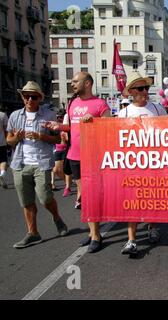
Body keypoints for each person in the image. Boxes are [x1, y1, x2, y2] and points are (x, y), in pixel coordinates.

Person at [44, 72, 111, 253]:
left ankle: (96, 235)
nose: (72, 84)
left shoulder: (100, 104)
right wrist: (60, 127)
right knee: (84, 198)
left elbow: (110, 129)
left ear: (87, 83)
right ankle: (92, 233)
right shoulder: (73, 103)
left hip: (94, 158)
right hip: (74, 156)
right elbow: (73, 127)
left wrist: (95, 122)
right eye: (72, 81)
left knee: (90, 196)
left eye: (76, 81)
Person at [6, 81, 69, 249]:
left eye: (34, 97)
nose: (30, 100)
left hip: (41, 162)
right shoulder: (14, 116)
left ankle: (57, 218)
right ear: (23, 97)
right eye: (26, 96)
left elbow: (57, 139)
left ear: (40, 98)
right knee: (26, 201)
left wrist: (40, 136)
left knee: (45, 197)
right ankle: (33, 233)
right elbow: (9, 140)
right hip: (20, 163)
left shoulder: (48, 115)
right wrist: (17, 138)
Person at [118, 72, 167, 255]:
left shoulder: (157, 108)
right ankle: (131, 239)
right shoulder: (124, 113)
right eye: (140, 88)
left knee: (153, 197)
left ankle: (152, 227)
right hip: (133, 164)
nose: (144, 91)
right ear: (131, 91)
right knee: (132, 200)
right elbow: (115, 137)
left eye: (146, 88)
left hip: (155, 162)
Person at [51, 109, 72, 197]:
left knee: (65, 170)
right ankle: (67, 183)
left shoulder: (67, 125)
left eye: (61, 117)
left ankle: (67, 187)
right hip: (57, 149)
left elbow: (69, 139)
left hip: (66, 149)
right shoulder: (55, 125)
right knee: (56, 170)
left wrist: (65, 139)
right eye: (58, 117)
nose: (59, 119)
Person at [0, 107, 8, 188]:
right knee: (3, 160)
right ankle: (2, 174)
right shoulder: (3, 115)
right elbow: (7, 130)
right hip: (1, 142)